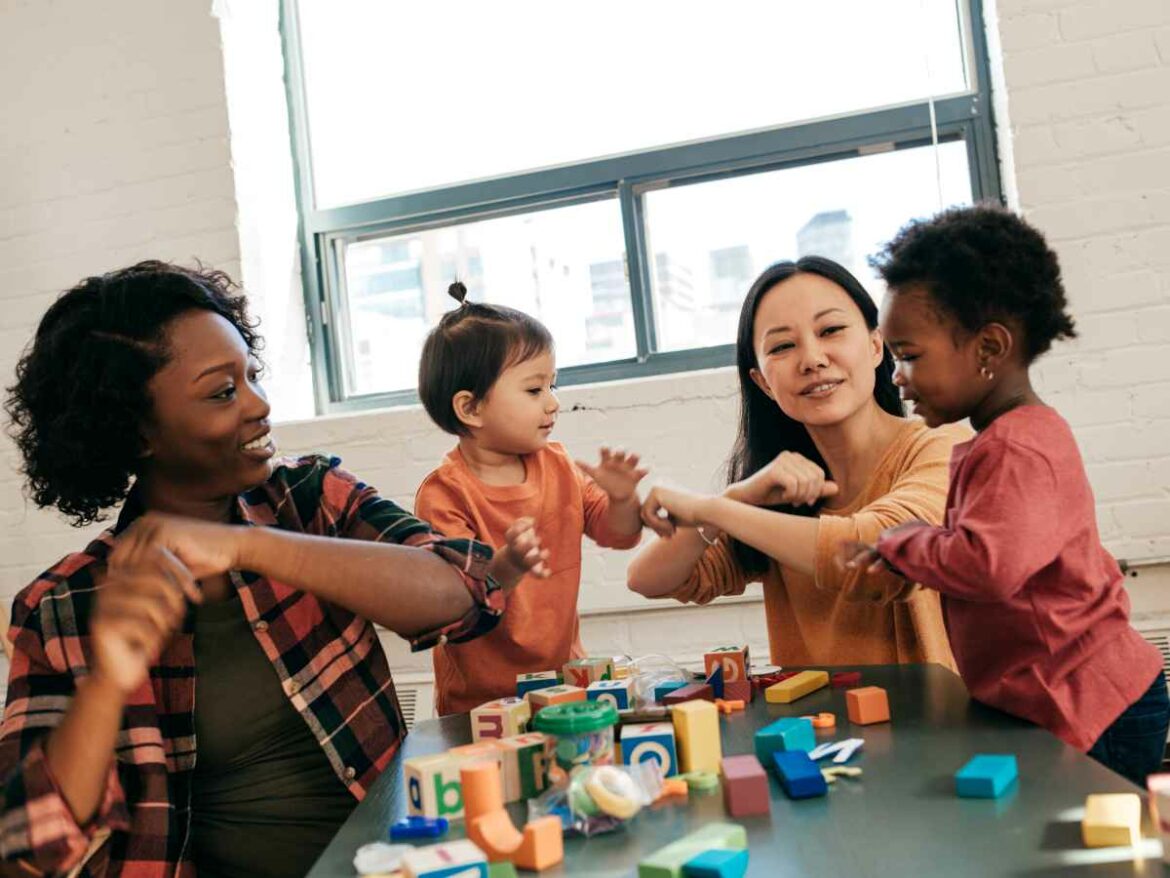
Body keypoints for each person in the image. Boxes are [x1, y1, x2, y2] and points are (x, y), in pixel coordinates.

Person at [0, 262, 542, 876]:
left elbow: (467, 590)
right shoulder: (62, 608)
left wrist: (245, 546)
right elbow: (27, 856)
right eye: (222, 392)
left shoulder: (306, 498)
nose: (260, 405)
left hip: (401, 861)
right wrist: (104, 685)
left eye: (251, 377)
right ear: (137, 429)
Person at [843, 205, 1169, 785]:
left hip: (1092, 705)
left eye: (910, 355)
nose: (896, 375)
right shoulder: (1007, 438)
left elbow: (988, 566)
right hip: (1069, 698)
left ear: (989, 349)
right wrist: (908, 558)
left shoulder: (1017, 447)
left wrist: (906, 541)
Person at [627, 257, 963, 669]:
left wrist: (715, 508)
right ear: (763, 383)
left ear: (878, 346)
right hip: (820, 733)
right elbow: (649, 579)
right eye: (783, 346)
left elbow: (878, 550)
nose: (812, 359)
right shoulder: (779, 495)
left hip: (940, 731)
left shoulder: (943, 447)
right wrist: (738, 497)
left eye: (831, 330)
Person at [415, 282, 645, 714]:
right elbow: (451, 604)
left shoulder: (558, 465)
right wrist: (507, 567)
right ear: (471, 409)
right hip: (480, 704)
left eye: (553, 385)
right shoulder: (445, 495)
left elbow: (619, 536)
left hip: (566, 685)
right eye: (534, 390)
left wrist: (622, 502)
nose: (553, 403)